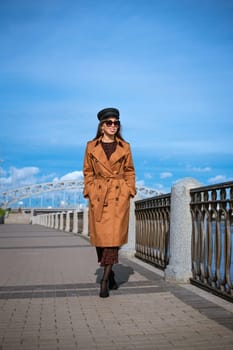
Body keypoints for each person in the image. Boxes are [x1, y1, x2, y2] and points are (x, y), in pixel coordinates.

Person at [83, 107, 136, 298]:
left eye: (116, 123)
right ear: (102, 126)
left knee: (112, 241)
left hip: (117, 196)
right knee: (100, 240)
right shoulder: (91, 146)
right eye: (109, 123)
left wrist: (129, 190)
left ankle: (104, 281)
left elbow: (129, 170)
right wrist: (89, 189)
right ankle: (111, 273)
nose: (113, 126)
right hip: (98, 196)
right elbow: (88, 171)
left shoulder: (125, 147)